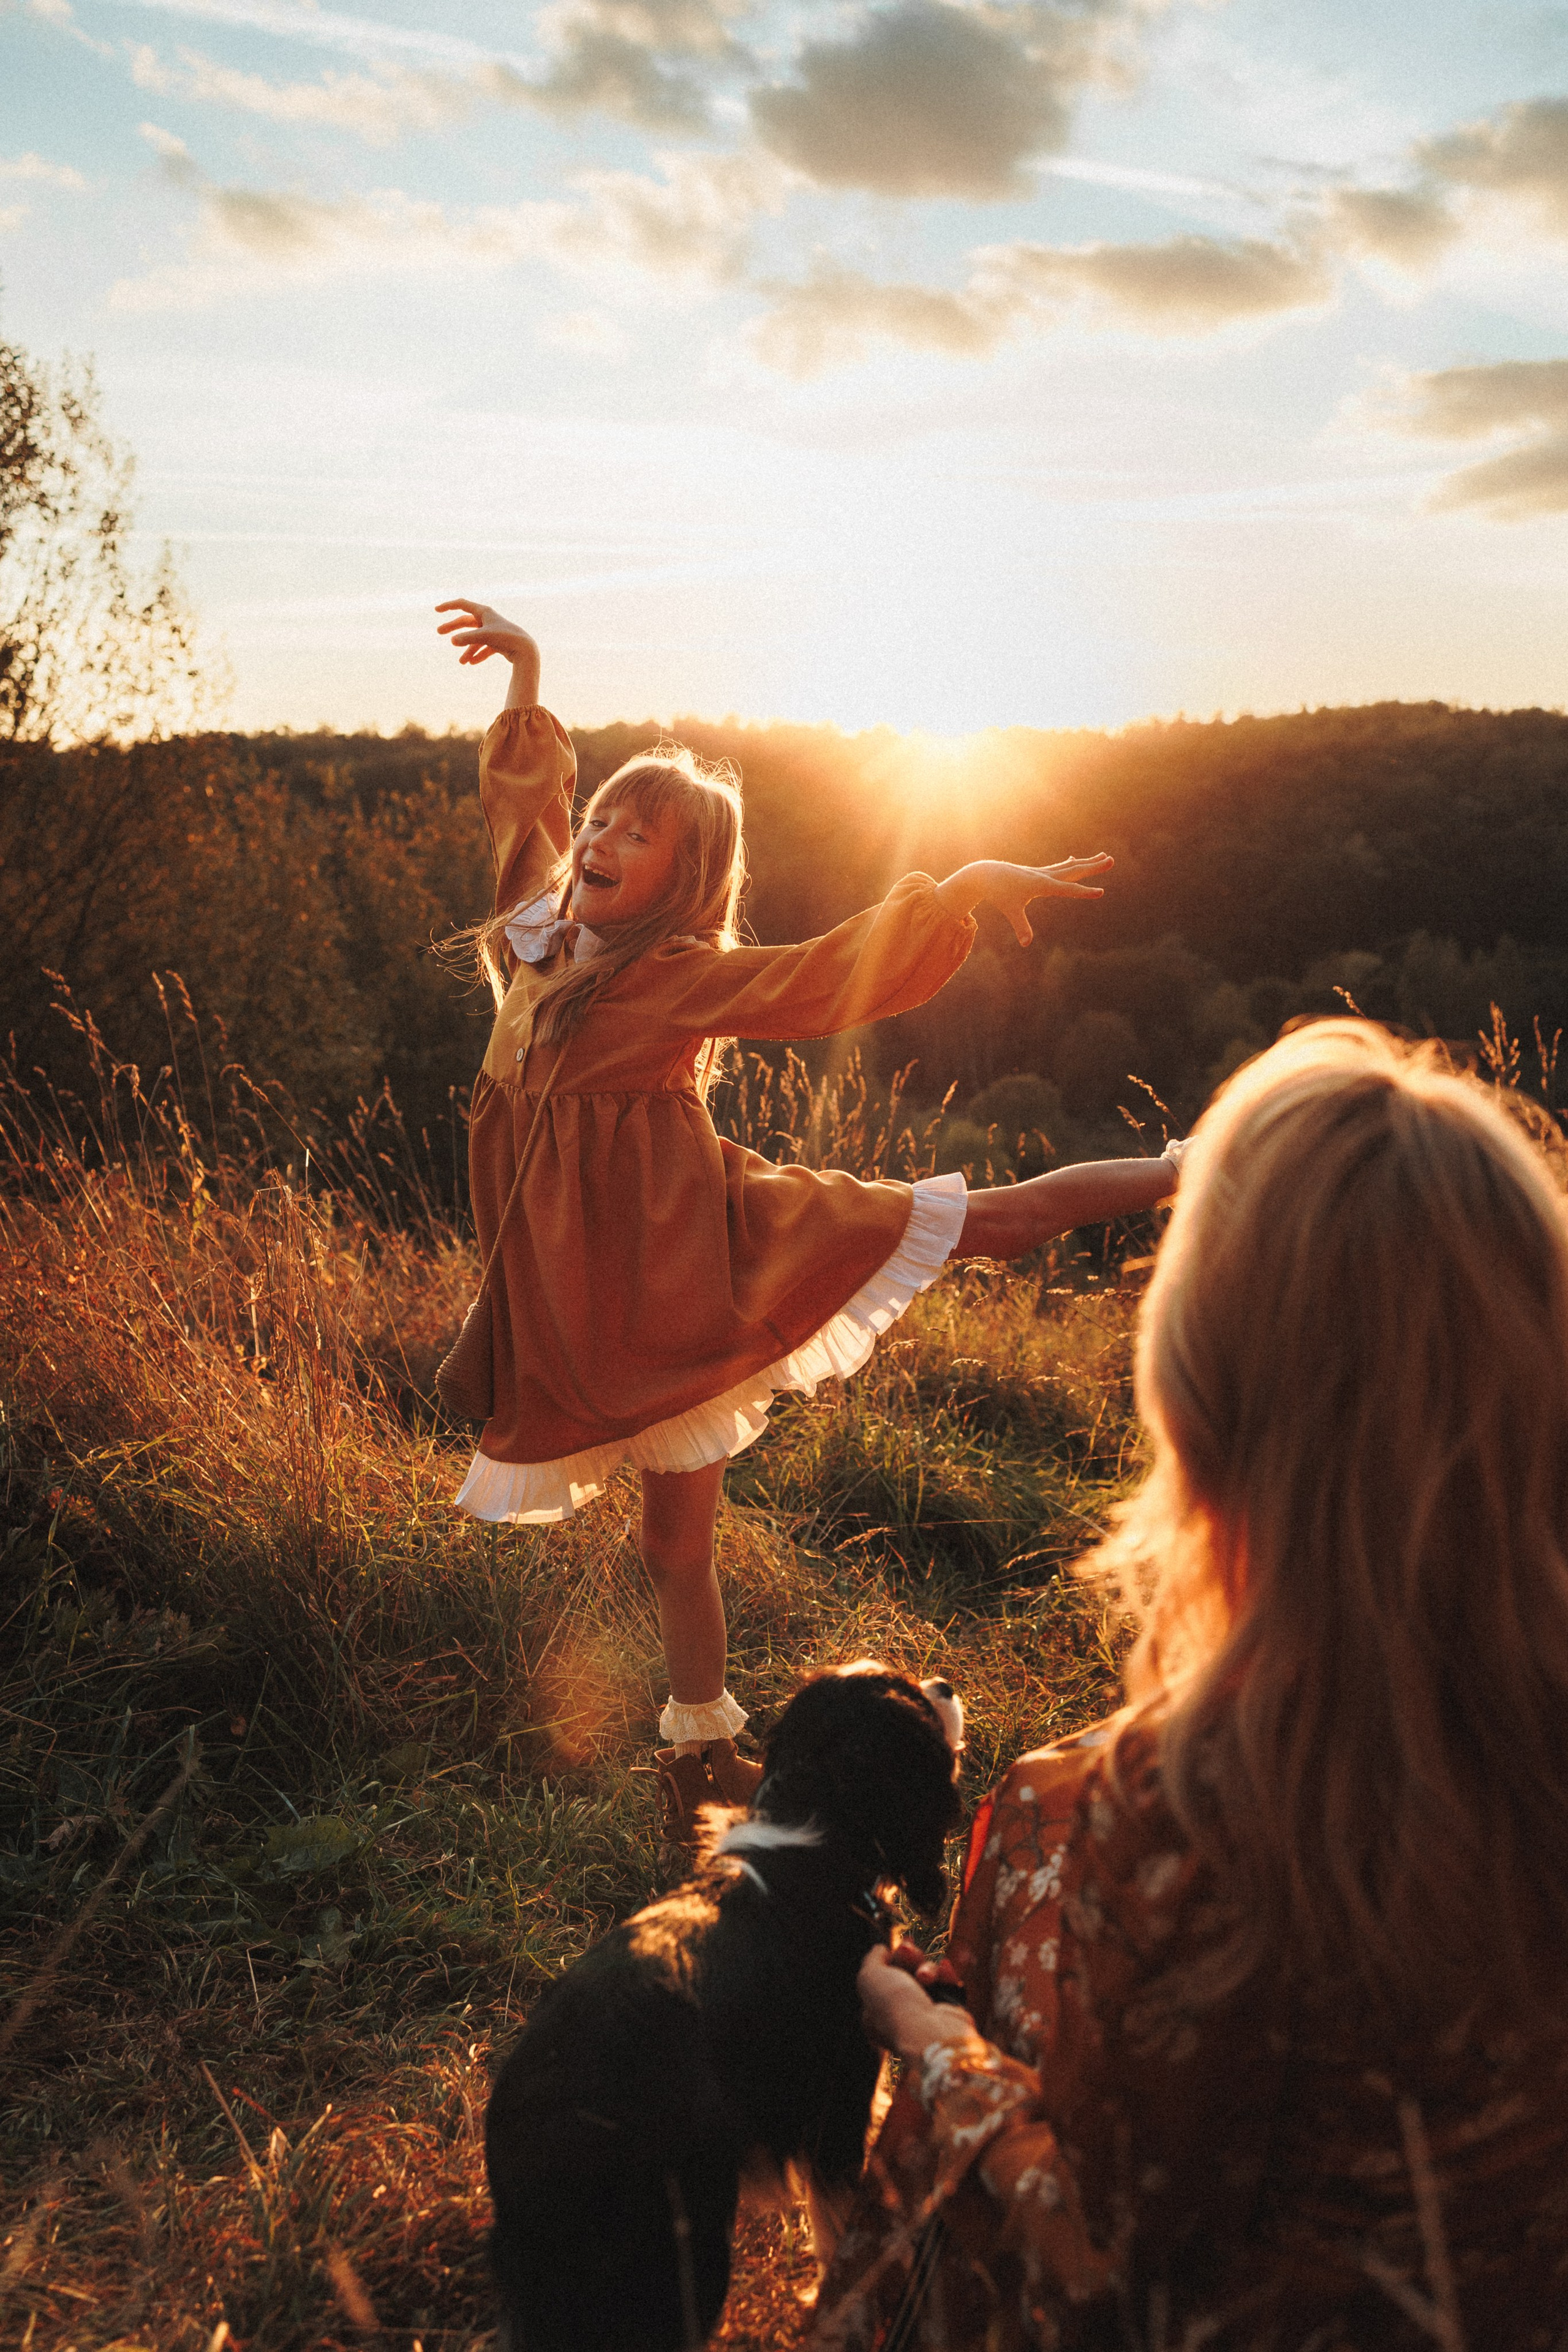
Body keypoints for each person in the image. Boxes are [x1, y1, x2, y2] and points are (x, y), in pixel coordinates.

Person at [817, 1019, 1568, 2351]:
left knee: (1028, 1831)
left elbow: (1108, 2271)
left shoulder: (1172, 1805)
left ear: (1200, 1393)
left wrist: (922, 2042)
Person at [435, 600, 1183, 1842]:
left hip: (699, 1269)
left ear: (688, 881)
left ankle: (1183, 1163)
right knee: (671, 1550)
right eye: (608, 816)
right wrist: (524, 674)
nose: (605, 836)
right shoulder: (532, 940)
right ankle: (705, 1761)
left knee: (983, 1220)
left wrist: (952, 894)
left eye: (643, 832)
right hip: (592, 1300)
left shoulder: (673, 979)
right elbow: (526, 813)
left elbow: (821, 973)